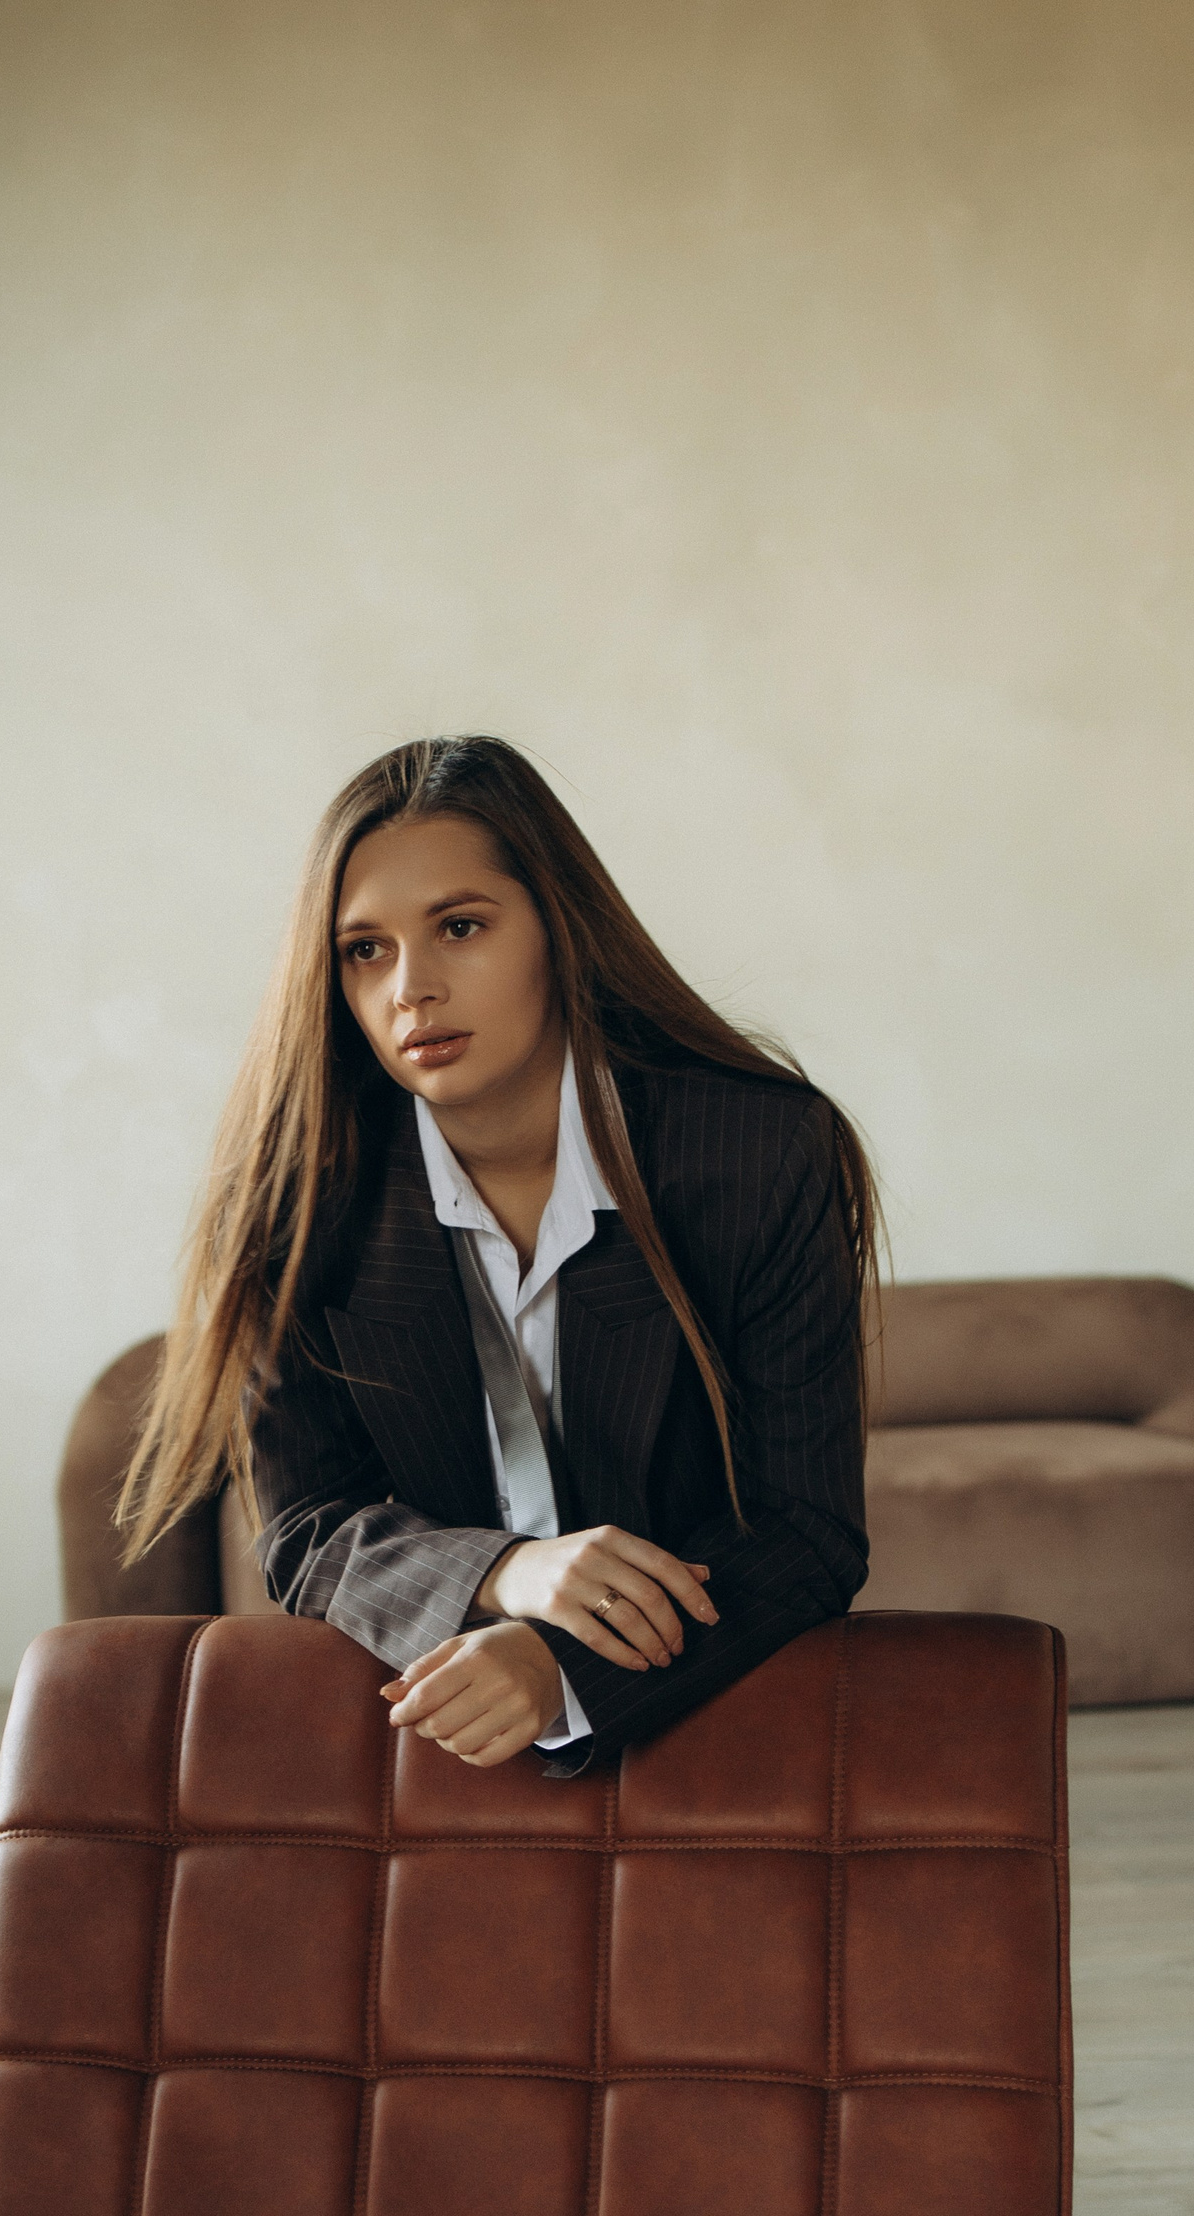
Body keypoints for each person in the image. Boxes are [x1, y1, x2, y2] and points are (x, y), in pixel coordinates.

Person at [120, 736, 879, 1775]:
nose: (411, 989)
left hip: (709, 1729)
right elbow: (306, 1532)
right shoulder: (297, 1201)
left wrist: (561, 1667)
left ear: (557, 927)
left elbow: (806, 1529)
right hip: (431, 1733)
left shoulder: (756, 1151)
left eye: (461, 927)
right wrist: (505, 1573)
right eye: (365, 950)